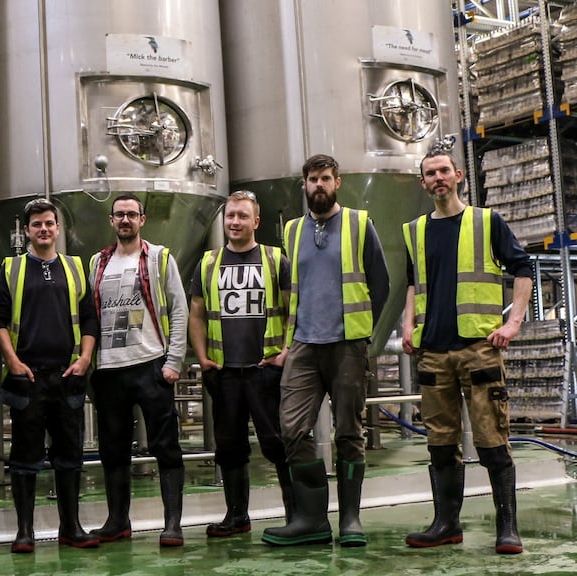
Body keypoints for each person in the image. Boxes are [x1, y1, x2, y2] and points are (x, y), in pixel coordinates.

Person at [402, 143, 532, 555]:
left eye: (444, 171)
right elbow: (413, 282)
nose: (438, 178)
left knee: (492, 440)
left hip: (479, 350)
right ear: (423, 183)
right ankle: (446, 525)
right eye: (430, 173)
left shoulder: (486, 222)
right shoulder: (414, 231)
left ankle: (507, 528)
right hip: (433, 353)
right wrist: (408, 325)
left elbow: (523, 268)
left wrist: (513, 322)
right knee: (440, 444)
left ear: (458, 176)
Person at [261, 154, 389, 548]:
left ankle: (350, 519)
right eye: (313, 179)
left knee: (349, 432)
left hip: (347, 344)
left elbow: (381, 284)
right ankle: (312, 519)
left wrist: (362, 332)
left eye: (326, 178)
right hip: (304, 345)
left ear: (338, 183)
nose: (319, 185)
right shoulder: (293, 230)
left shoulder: (359, 223)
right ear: (304, 184)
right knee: (292, 429)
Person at [0, 198, 100, 553]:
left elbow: (89, 318)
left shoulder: (75, 267)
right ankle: (25, 532)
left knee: (70, 455)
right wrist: (12, 361)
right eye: (36, 224)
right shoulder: (11, 268)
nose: (43, 229)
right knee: (25, 458)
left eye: (49, 223)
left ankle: (71, 528)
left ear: (58, 228)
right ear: (26, 231)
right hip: (28, 378)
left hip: (68, 376)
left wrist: (85, 358)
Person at [189, 190, 294, 537]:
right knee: (229, 447)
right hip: (225, 373)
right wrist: (203, 358)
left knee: (278, 444)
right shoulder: (208, 263)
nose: (234, 222)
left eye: (242, 216)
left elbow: (293, 309)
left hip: (265, 370)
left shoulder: (275, 260)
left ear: (256, 222)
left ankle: (296, 515)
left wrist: (284, 352)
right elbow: (196, 313)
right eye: (230, 215)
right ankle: (237, 517)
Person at [88, 193, 189, 547]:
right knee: (112, 449)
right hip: (110, 369)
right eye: (119, 215)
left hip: (150, 364)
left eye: (132, 214)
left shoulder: (160, 258)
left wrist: (174, 361)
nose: (125, 220)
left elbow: (179, 309)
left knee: (166, 446)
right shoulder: (98, 262)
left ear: (142, 220)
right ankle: (118, 522)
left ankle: (172, 524)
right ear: (111, 221)